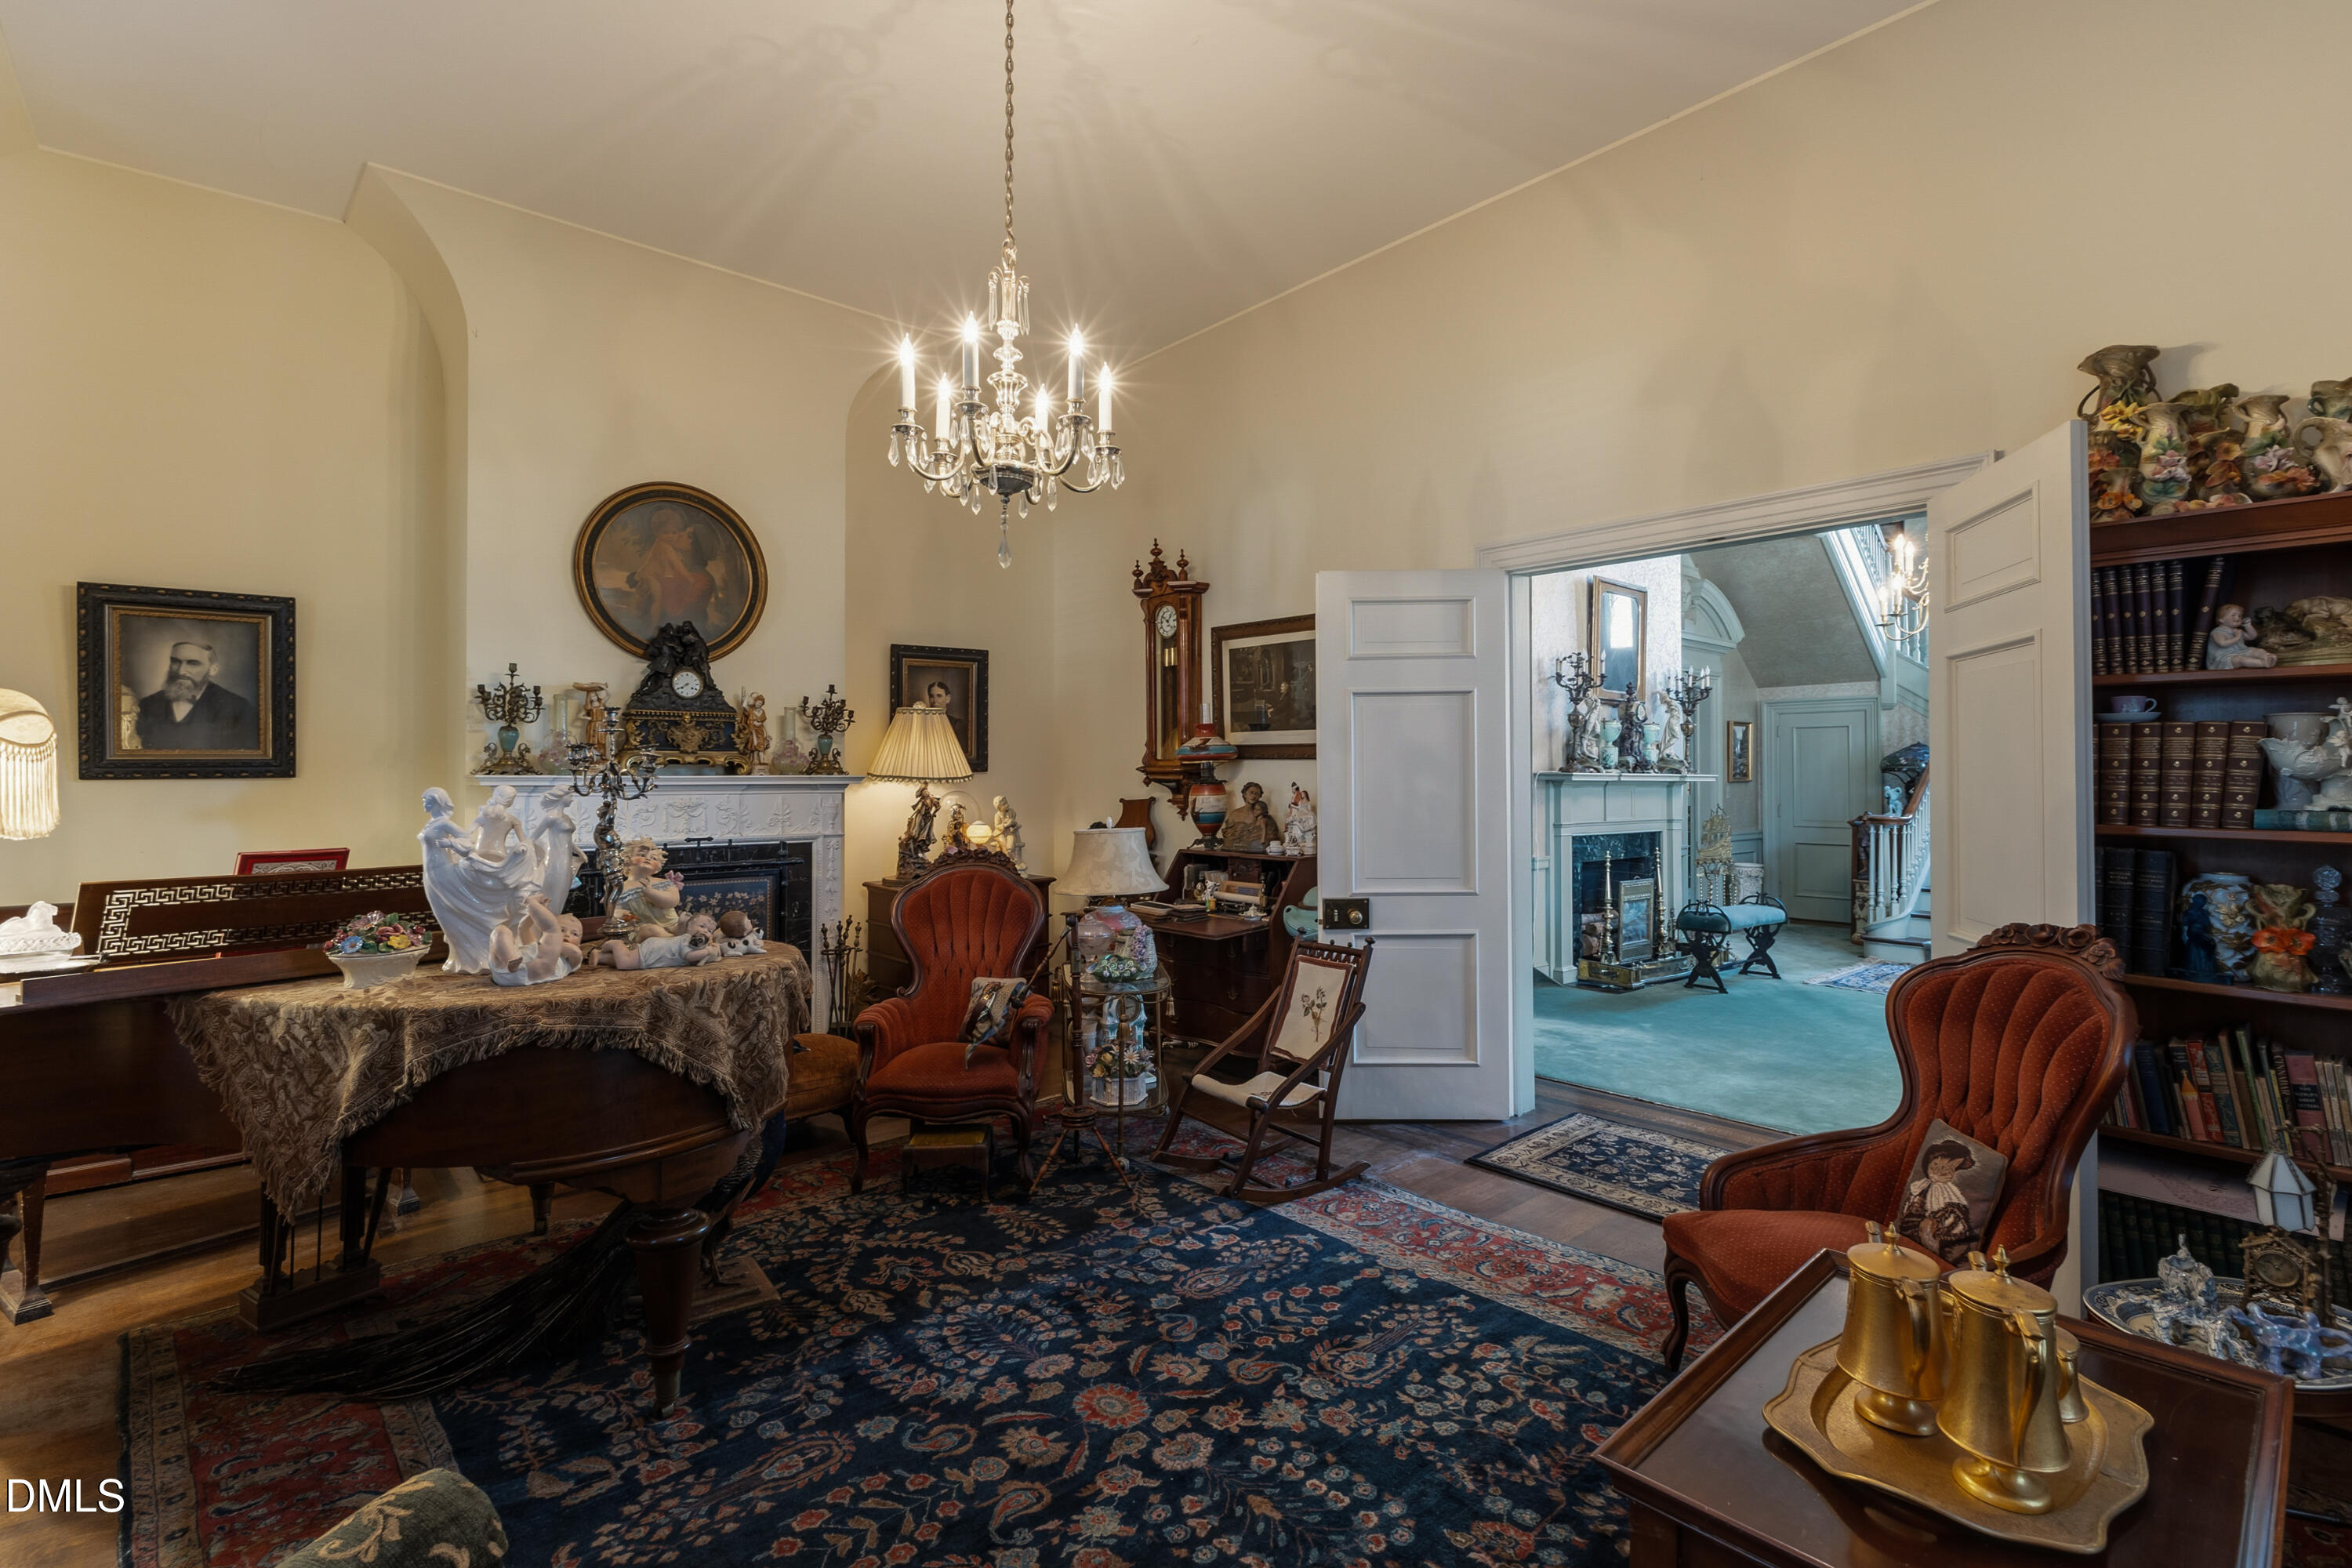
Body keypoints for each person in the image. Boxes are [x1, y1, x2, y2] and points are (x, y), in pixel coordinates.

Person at [134, 639, 256, 750]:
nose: (181, 671)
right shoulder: (147, 705)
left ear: (213, 669)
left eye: (193, 663)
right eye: (175, 662)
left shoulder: (237, 707)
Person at [1896, 1138, 1981, 1264]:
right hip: (1906, 1242)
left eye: (1947, 1168)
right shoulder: (1919, 1188)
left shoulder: (1952, 1201)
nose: (1938, 1171)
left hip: (1937, 1253)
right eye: (1935, 1165)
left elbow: (1956, 1242)